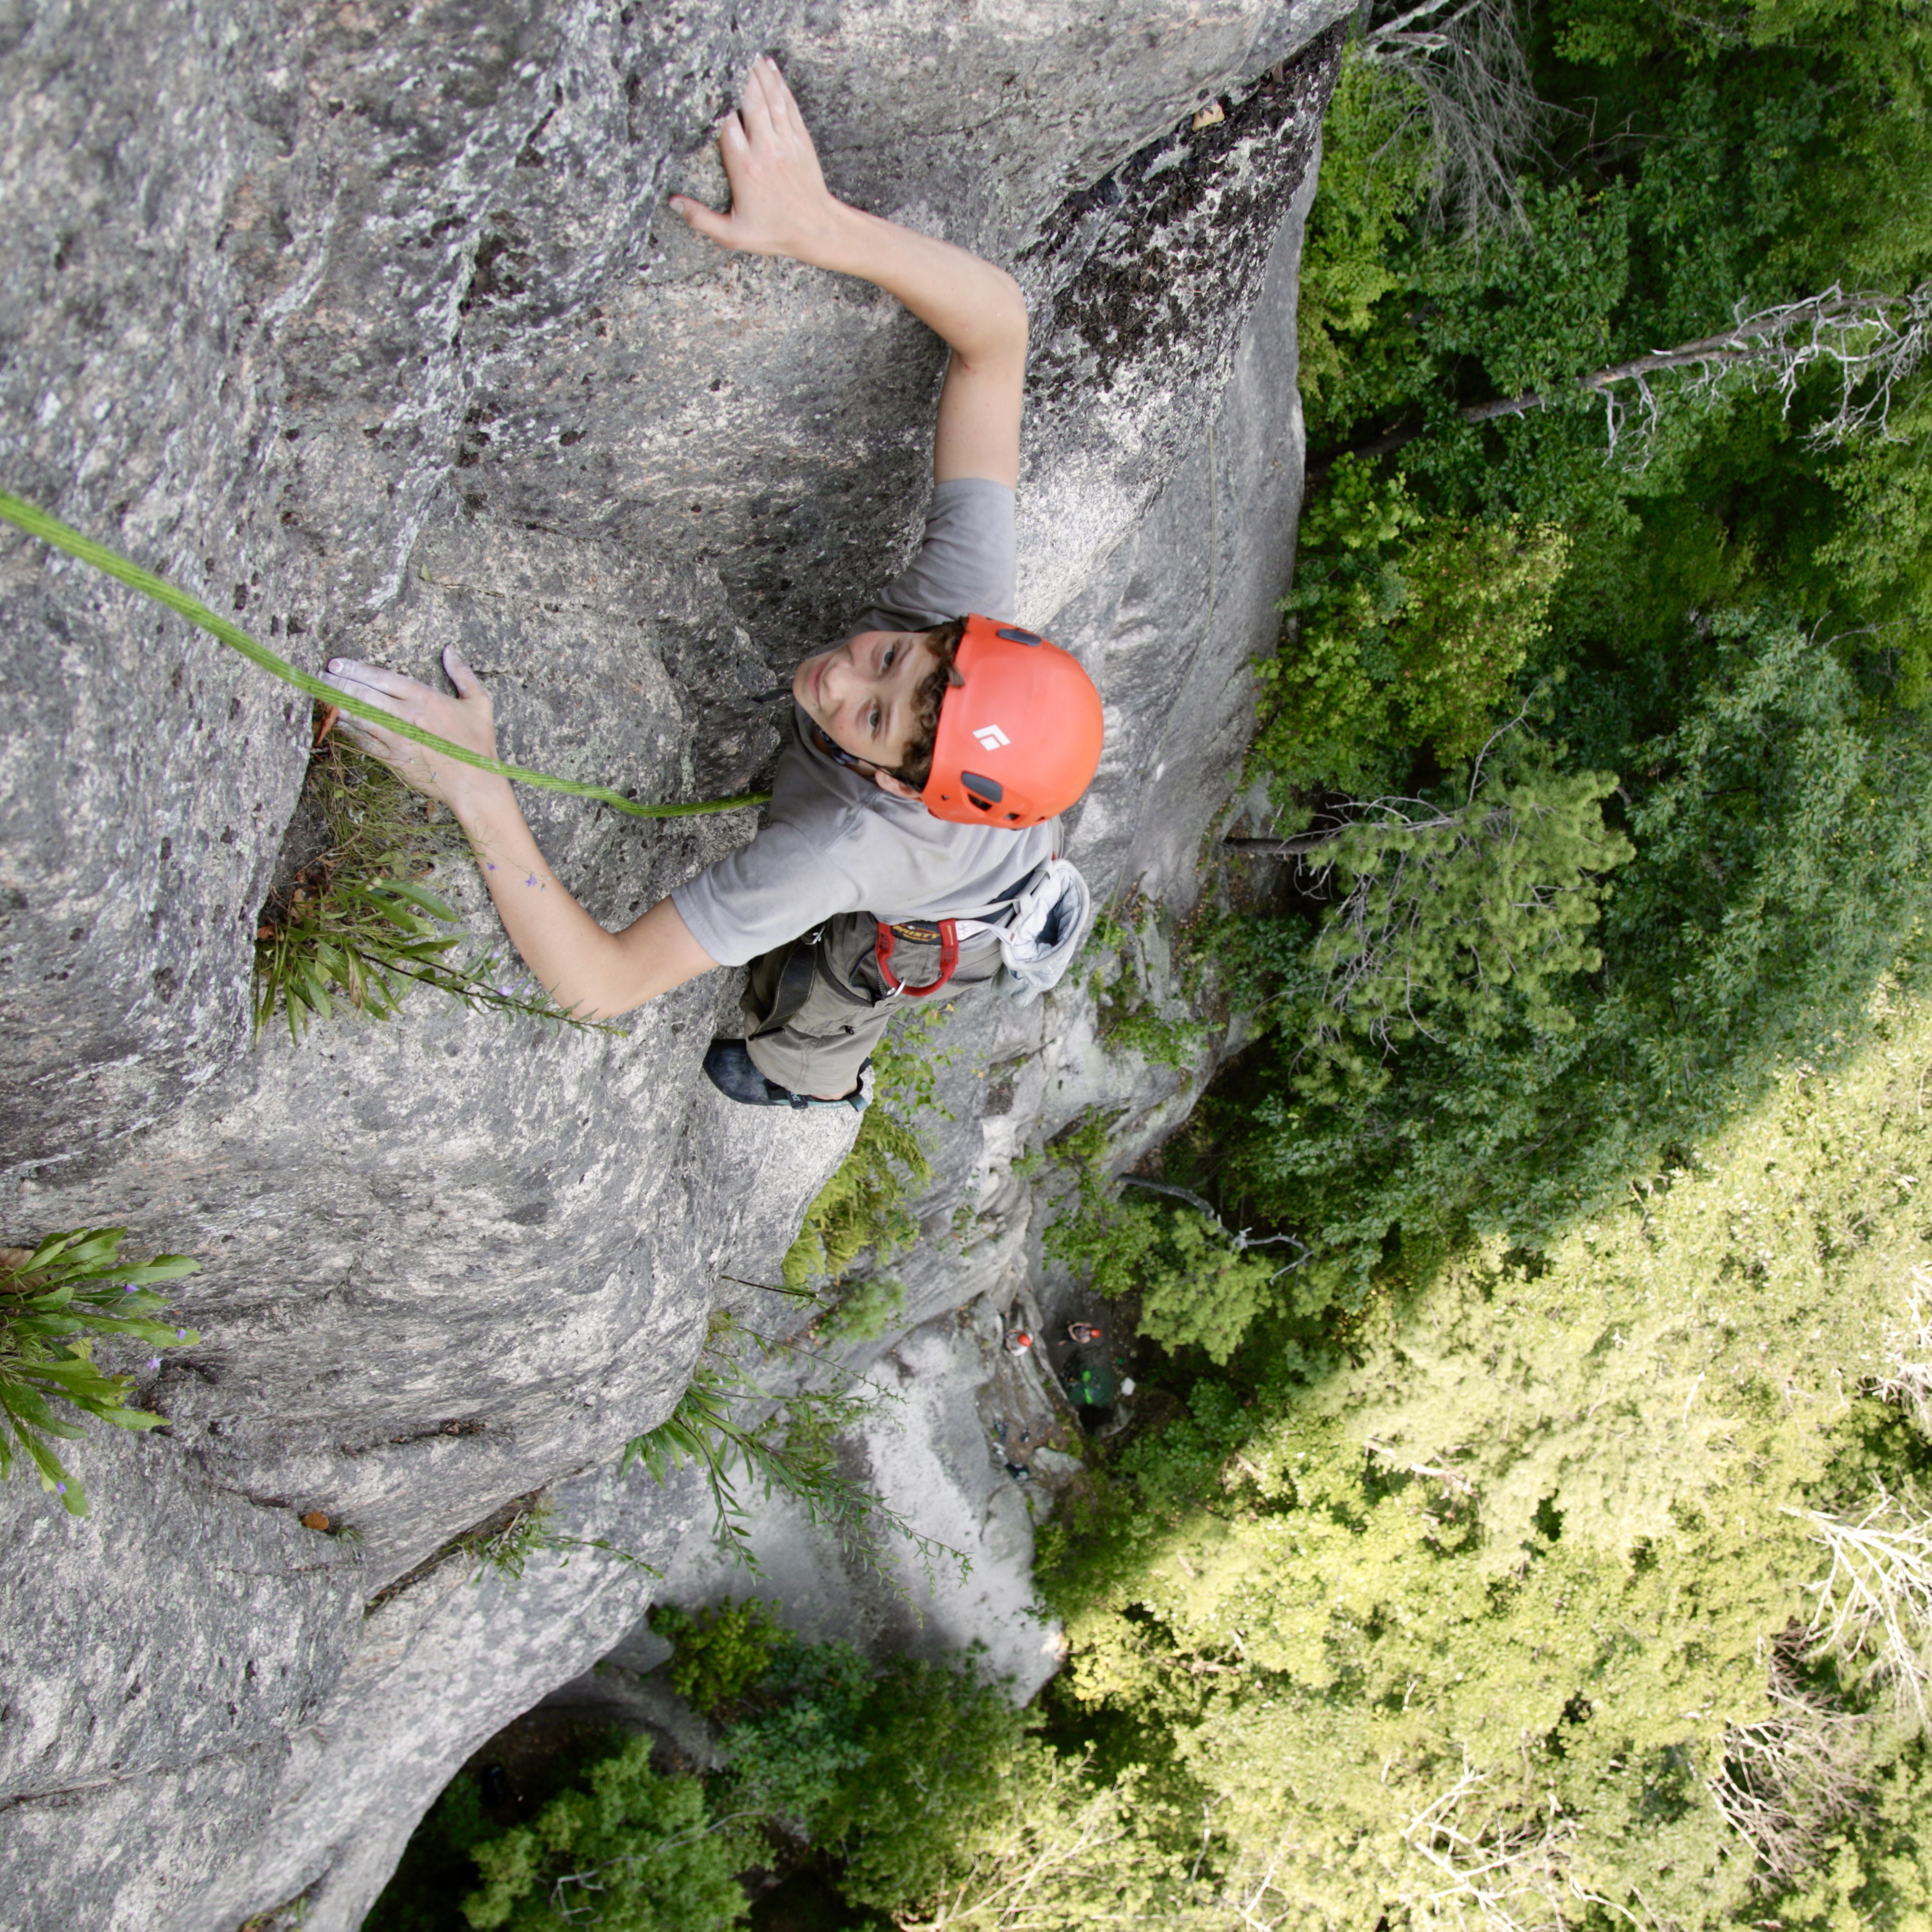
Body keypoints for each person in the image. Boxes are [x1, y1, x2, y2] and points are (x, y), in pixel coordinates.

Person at [321, 55, 1102, 1111]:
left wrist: (477, 787)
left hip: (951, 913)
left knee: (844, 978)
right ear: (945, 633)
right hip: (999, 809)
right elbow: (998, 330)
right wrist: (820, 227)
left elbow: (601, 987)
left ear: (890, 783)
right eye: (888, 658)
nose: (840, 679)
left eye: (871, 718)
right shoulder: (955, 625)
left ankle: (808, 1079)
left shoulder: (840, 851)